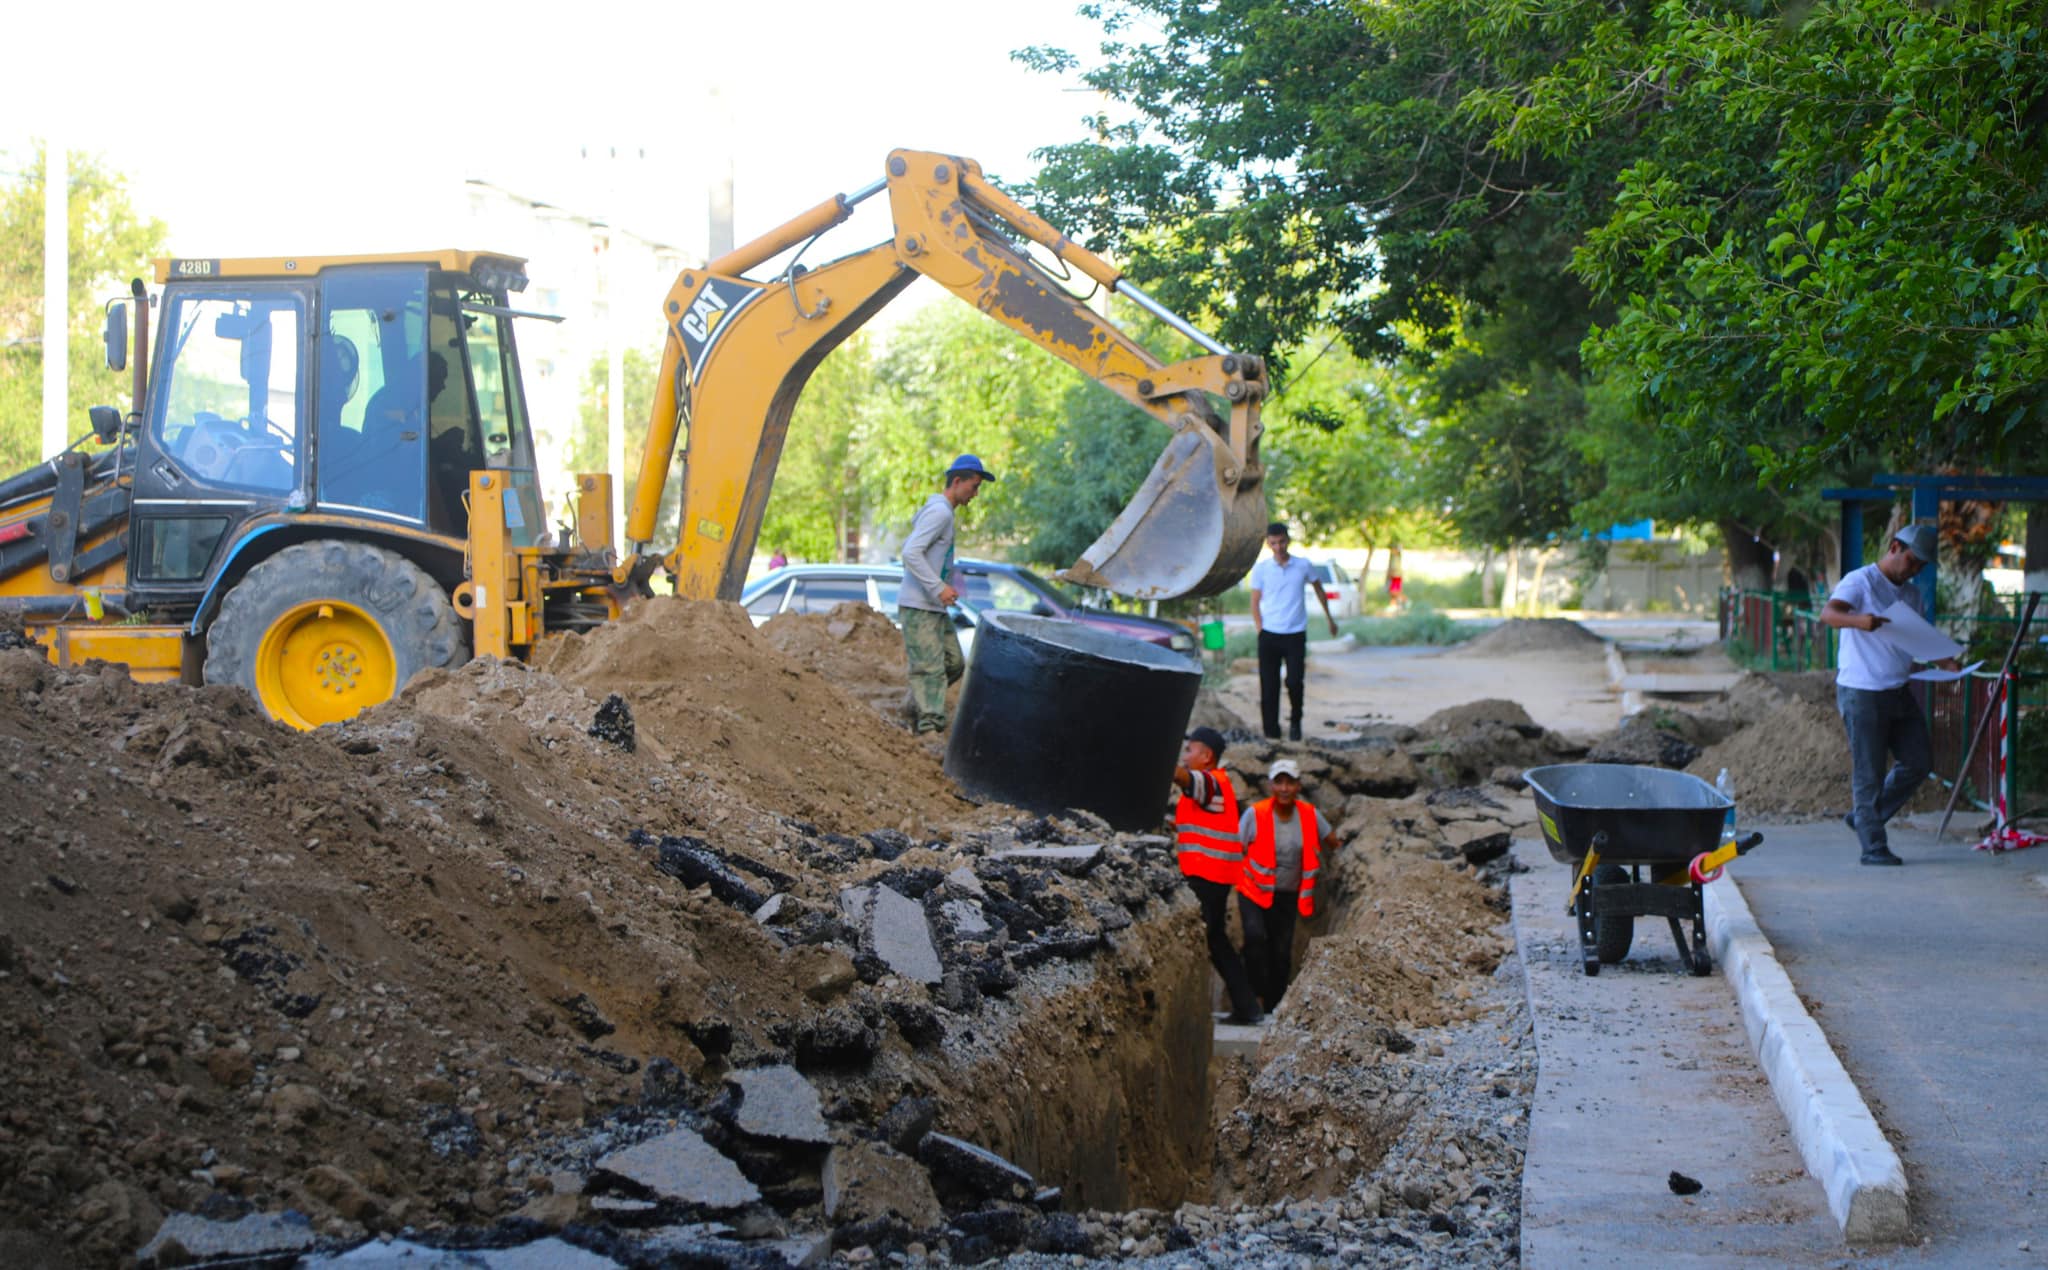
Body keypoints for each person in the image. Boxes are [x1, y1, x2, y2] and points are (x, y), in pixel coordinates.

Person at [1819, 523, 1958, 866]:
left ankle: (1865, 817)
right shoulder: (1860, 581)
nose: (1916, 570)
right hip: (1862, 691)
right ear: (1895, 547)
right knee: (1870, 772)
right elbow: (1830, 614)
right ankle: (1873, 847)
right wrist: (1858, 621)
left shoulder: (1911, 595)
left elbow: (1917, 640)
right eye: (1912, 561)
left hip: (1897, 689)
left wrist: (1949, 663)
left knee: (1919, 761)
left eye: (1922, 566)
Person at [897, 454, 994, 734]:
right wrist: (938, 588)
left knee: (953, 662)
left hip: (932, 606)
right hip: (920, 605)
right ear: (956, 481)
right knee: (929, 670)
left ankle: (912, 704)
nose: (975, 494)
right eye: (973, 487)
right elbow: (910, 552)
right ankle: (929, 733)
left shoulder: (944, 513)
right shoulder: (939, 512)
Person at [1172, 725, 1262, 1025]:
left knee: (1211, 940)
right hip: (1213, 876)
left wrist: (1153, 752)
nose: (1186, 756)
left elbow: (1182, 777)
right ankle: (1247, 1006)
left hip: (1207, 876)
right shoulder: (1215, 786)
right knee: (1215, 941)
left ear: (1207, 756)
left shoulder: (1209, 784)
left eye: (1190, 750)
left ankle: (1247, 1008)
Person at [1237, 758, 1323, 1012]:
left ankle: (1274, 1007)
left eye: (1290, 782)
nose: (1284, 788)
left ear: (1298, 786)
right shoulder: (1256, 814)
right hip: (1253, 890)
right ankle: (1253, 997)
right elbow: (1237, 847)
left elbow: (1330, 838)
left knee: (1281, 952)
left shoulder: (1308, 815)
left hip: (1287, 895)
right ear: (1271, 785)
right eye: (1279, 782)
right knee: (1254, 938)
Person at [1249, 522, 1338, 741]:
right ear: (1268, 544)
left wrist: (1329, 619)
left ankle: (1296, 721)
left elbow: (1319, 590)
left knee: (1294, 681)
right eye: (1273, 543)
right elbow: (1255, 601)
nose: (1278, 547)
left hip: (1295, 634)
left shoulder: (1303, 565)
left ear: (1287, 540)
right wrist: (1260, 628)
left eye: (1281, 542)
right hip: (1269, 634)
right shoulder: (1261, 569)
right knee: (1269, 685)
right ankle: (1271, 732)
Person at [1386, 540, 1405, 612]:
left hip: (1396, 576)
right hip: (1394, 576)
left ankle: (1405, 601)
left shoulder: (1397, 557)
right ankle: (1393, 606)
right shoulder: (1394, 557)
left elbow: (1394, 568)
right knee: (1392, 592)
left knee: (1395, 592)